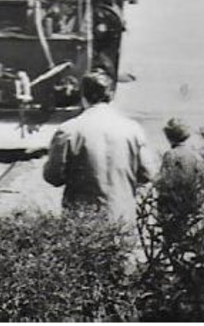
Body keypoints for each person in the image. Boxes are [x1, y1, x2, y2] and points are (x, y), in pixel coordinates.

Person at [42, 69, 158, 228]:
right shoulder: (133, 129)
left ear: (83, 96)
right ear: (111, 95)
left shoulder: (68, 130)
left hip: (81, 218)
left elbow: (53, 177)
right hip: (121, 215)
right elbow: (148, 173)